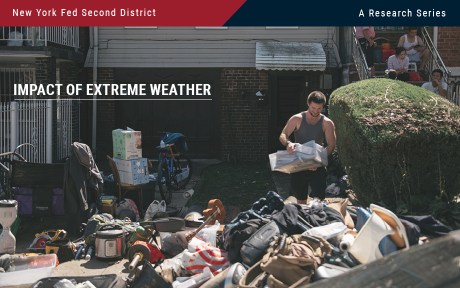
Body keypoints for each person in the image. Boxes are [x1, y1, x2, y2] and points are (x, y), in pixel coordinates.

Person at [279, 91, 336, 203]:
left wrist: (317, 161)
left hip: (317, 164)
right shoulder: (297, 118)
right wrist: (288, 143)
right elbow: (283, 135)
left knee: (318, 201)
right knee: (299, 200)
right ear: (308, 104)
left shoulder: (327, 123)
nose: (316, 111)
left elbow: (331, 145)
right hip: (299, 163)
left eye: (319, 108)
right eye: (313, 108)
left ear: (323, 107)